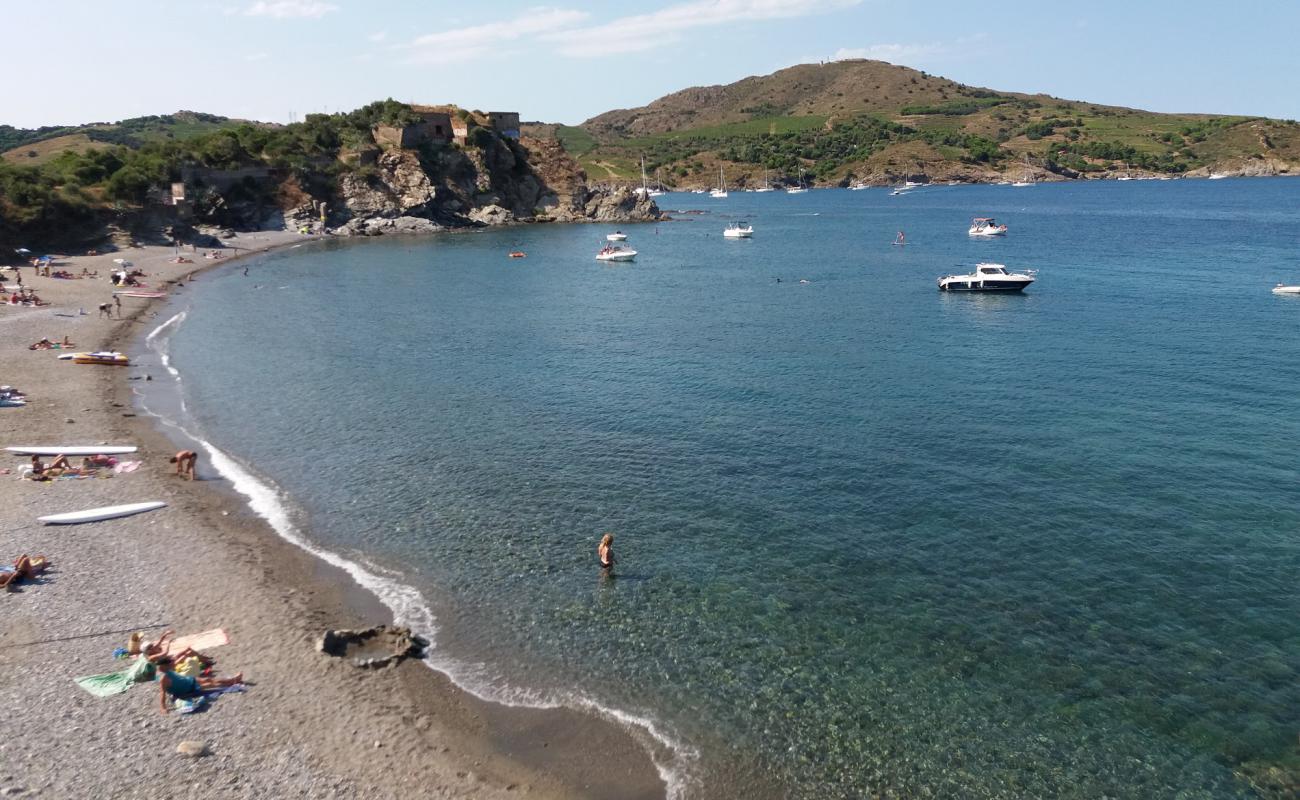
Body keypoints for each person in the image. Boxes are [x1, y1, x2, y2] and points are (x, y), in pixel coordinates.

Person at [155, 655, 242, 714]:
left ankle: (233, 680)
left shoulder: (162, 669)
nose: (173, 665)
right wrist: (163, 708)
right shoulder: (163, 677)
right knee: (211, 684)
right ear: (165, 665)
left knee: (208, 679)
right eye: (171, 664)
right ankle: (233, 681)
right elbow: (162, 692)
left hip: (188, 680)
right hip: (189, 688)